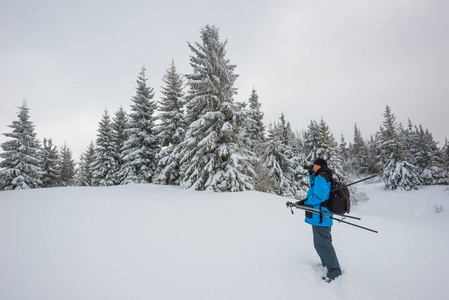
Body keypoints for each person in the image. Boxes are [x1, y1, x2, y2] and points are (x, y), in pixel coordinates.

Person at [299, 158, 341, 282]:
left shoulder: (321, 177)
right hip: (320, 216)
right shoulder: (321, 175)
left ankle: (334, 271)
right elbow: (315, 187)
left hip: (321, 216)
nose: (313, 166)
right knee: (320, 244)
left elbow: (319, 196)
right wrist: (311, 174)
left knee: (323, 245)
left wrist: (306, 202)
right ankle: (327, 264)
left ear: (319, 166)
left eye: (314, 165)